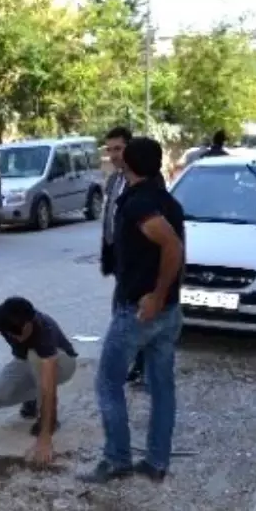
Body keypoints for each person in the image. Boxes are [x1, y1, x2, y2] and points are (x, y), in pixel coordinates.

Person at [80, 137, 185, 484]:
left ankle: (117, 458)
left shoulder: (141, 204)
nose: (115, 158)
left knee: (108, 382)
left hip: (140, 312)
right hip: (166, 312)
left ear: (131, 163)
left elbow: (172, 246)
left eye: (120, 154)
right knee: (161, 386)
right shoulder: (166, 199)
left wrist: (156, 295)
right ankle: (156, 461)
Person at [0, 297, 78, 465]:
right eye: (12, 334)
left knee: (36, 359)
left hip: (62, 363)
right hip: (25, 361)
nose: (18, 339)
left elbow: (48, 388)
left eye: (21, 332)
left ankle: (49, 419)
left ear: (31, 321)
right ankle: (32, 398)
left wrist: (45, 437)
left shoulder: (43, 330)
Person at [101, 126, 148, 387]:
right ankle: (136, 364)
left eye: (118, 149)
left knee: (131, 314)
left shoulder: (141, 179)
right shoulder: (115, 179)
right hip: (120, 259)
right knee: (123, 312)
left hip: (136, 262)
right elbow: (110, 217)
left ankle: (141, 366)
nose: (113, 155)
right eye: (109, 150)